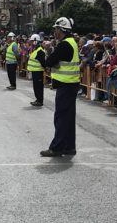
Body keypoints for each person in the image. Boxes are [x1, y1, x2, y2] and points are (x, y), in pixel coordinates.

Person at [40, 17, 80, 157]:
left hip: (65, 85)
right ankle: (69, 147)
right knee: (68, 118)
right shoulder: (71, 42)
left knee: (61, 117)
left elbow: (49, 62)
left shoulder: (64, 45)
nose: (54, 31)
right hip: (71, 84)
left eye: (56, 29)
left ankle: (57, 148)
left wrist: (47, 50)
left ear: (61, 29)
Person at [27, 33, 46, 107]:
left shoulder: (40, 51)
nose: (31, 42)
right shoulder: (35, 50)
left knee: (39, 87)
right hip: (35, 72)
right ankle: (38, 99)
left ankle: (40, 101)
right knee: (36, 86)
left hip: (38, 72)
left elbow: (43, 63)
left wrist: (46, 69)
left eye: (32, 41)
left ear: (35, 41)